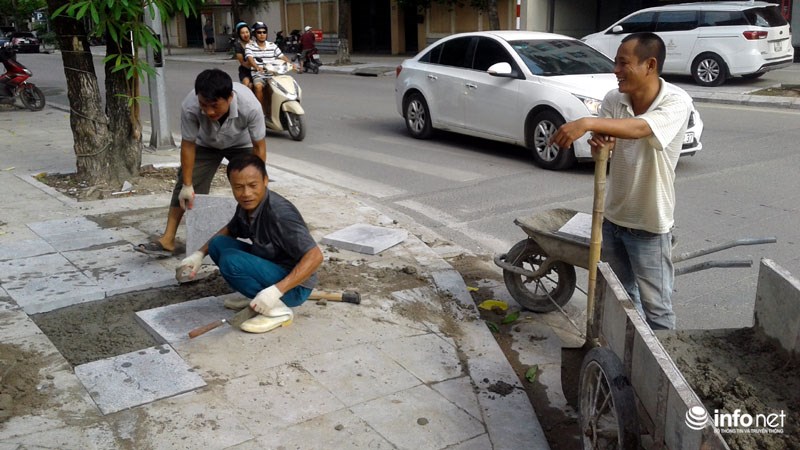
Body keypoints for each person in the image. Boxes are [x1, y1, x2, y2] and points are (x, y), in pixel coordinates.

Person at [550, 32, 690, 330]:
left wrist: (586, 122)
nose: (615, 70)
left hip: (650, 225)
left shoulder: (677, 101)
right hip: (612, 219)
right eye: (615, 62)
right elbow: (610, 143)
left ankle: (659, 374)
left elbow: (640, 129)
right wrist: (602, 147)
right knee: (623, 297)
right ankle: (630, 356)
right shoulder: (615, 99)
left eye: (623, 63)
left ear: (649, 65)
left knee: (658, 312)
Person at [177, 154, 323, 334]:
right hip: (272, 266)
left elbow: (315, 256)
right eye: (238, 187)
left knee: (231, 262)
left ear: (265, 181)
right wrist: (199, 254)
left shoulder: (280, 214)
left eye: (253, 186)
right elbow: (230, 229)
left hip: (295, 287)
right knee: (218, 245)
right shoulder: (248, 205)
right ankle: (258, 298)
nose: (246, 193)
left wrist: (275, 292)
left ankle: (277, 310)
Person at [135, 69, 266, 257]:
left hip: (241, 144)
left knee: (250, 188)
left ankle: (259, 238)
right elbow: (188, 145)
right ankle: (168, 239)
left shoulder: (250, 106)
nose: (209, 111)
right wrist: (188, 184)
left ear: (229, 98)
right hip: (206, 144)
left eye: (215, 105)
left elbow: (259, 146)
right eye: (204, 105)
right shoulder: (190, 106)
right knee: (185, 184)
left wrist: (260, 179)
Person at [245, 21, 294, 116]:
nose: (262, 34)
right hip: (259, 75)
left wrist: (292, 64)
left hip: (273, 74)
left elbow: (281, 56)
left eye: (264, 32)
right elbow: (250, 58)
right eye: (259, 32)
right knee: (258, 87)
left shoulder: (272, 45)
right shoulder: (250, 46)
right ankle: (261, 113)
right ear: (255, 34)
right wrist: (256, 67)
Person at [232, 22, 253, 88]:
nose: (245, 34)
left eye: (247, 32)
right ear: (239, 34)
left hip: (257, 70)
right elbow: (242, 62)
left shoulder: (255, 43)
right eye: (242, 33)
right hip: (245, 70)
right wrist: (253, 67)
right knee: (247, 85)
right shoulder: (238, 45)